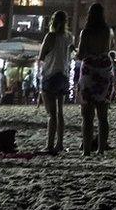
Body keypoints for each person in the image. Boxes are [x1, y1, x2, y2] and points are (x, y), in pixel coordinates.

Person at [75, 3, 114, 155]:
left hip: (90, 69)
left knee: (87, 114)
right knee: (103, 115)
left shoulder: (86, 32)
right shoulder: (108, 31)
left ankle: (86, 150)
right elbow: (111, 47)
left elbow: (81, 53)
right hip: (104, 68)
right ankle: (101, 149)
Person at [38, 10, 72, 154]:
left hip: (51, 75)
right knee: (60, 113)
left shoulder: (50, 36)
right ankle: (60, 144)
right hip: (63, 76)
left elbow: (41, 56)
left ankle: (49, 145)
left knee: (51, 114)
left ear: (52, 21)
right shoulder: (69, 37)